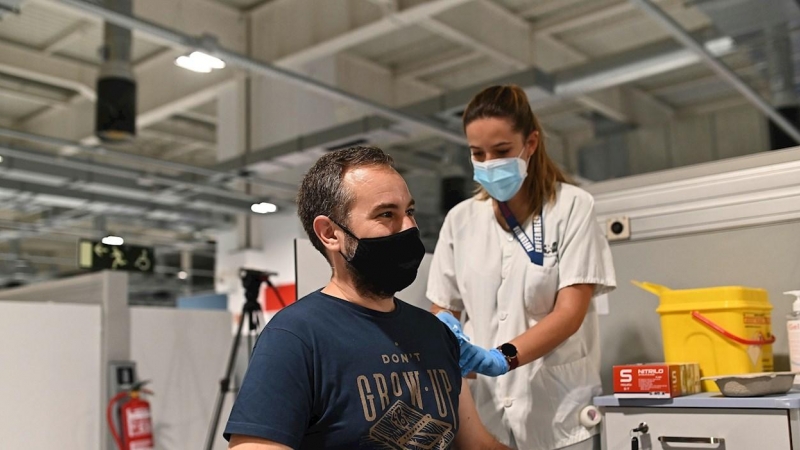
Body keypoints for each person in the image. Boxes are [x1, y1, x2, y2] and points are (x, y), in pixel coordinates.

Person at [224, 146, 510, 450]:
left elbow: (477, 444)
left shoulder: (434, 332)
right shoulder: (295, 337)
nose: (409, 227)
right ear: (330, 233)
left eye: (409, 212)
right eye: (387, 214)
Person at [427, 85, 617, 450]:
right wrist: (446, 333)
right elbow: (444, 305)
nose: (488, 164)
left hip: (559, 415)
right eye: (477, 154)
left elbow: (569, 313)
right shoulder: (460, 220)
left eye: (501, 152)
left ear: (530, 143)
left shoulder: (572, 207)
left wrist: (502, 357)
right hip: (485, 413)